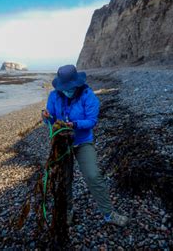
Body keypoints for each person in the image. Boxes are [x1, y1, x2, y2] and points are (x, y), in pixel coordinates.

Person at [42, 64, 129, 227]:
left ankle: (109, 213)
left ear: (77, 83)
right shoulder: (54, 96)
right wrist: (46, 116)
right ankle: (68, 210)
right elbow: (51, 120)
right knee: (64, 178)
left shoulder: (88, 96)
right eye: (64, 87)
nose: (67, 90)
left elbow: (91, 121)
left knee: (93, 175)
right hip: (62, 144)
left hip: (83, 141)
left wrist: (74, 124)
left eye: (70, 87)